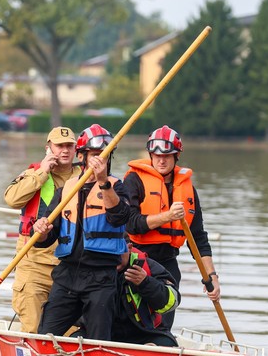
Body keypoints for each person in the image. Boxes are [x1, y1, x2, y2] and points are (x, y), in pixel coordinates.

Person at [32, 124, 130, 341]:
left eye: (104, 156)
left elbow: (120, 217)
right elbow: (45, 238)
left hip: (101, 277)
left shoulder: (117, 187)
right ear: (82, 156)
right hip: (67, 275)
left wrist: (103, 181)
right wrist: (40, 230)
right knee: (46, 336)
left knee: (98, 340)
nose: (99, 161)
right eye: (95, 155)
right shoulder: (65, 190)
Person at [124, 125, 220, 330]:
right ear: (150, 154)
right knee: (133, 321)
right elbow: (131, 223)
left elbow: (198, 238)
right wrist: (167, 216)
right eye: (156, 155)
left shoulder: (188, 190)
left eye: (167, 155)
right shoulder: (134, 181)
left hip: (168, 264)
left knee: (163, 324)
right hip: (137, 260)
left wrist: (211, 276)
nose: (161, 160)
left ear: (176, 156)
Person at [3, 126, 79, 333]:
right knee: (33, 328)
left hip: (70, 268)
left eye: (69, 146)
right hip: (34, 265)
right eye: (59, 146)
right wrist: (42, 173)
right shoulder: (34, 173)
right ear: (48, 148)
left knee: (71, 334)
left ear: (76, 149)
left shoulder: (85, 176)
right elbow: (12, 199)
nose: (64, 150)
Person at [73, 236, 181, 346]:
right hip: (98, 331)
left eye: (118, 251)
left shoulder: (148, 267)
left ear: (129, 248)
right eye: (108, 252)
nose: (113, 257)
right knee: (71, 343)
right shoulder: (88, 268)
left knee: (168, 344)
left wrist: (146, 283)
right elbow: (69, 307)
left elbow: (172, 302)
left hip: (144, 333)